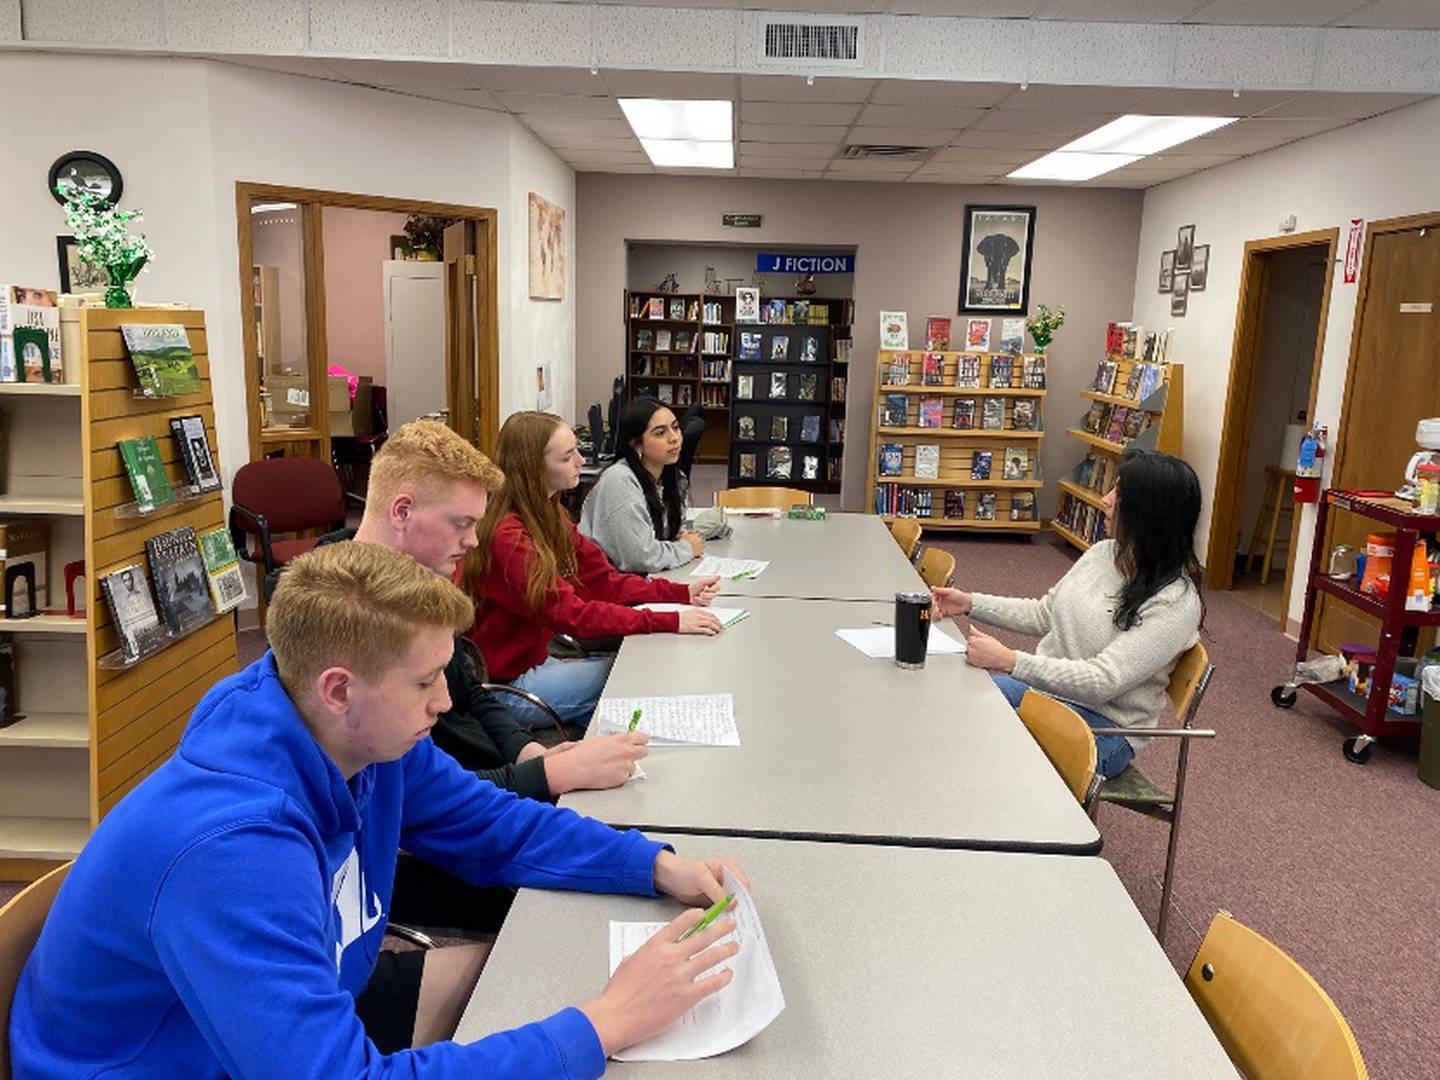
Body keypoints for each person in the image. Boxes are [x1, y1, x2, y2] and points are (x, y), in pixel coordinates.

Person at [10, 542, 749, 1077]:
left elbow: (493, 823)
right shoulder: (230, 851)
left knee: (521, 979)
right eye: (426, 679)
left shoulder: (358, 734)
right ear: (339, 688)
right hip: (169, 1065)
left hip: (276, 1015)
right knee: (583, 1024)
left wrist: (653, 864)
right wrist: (606, 1022)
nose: (448, 700)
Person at [931, 451, 1204, 778]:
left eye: (1119, 494)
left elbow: (1104, 681)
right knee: (953, 708)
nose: (1105, 500)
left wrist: (1010, 661)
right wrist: (970, 603)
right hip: (1051, 694)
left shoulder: (1175, 602)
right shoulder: (1104, 553)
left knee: (993, 750)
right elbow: (1044, 613)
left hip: (1105, 727)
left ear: (1149, 513)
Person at [468, 412, 723, 727]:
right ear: (534, 467)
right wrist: (667, 620)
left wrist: (680, 593)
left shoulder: (550, 514)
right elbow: (572, 614)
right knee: (636, 679)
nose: (580, 461)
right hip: (506, 688)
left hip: (536, 662)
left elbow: (603, 581)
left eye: (577, 450)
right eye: (567, 456)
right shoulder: (508, 537)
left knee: (640, 667)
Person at [578, 397, 704, 574]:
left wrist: (683, 543)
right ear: (636, 444)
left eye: (675, 427)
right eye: (660, 433)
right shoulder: (619, 481)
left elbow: (672, 536)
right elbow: (640, 558)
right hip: (605, 586)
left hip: (642, 579)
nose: (675, 438)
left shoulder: (675, 478)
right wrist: (687, 549)